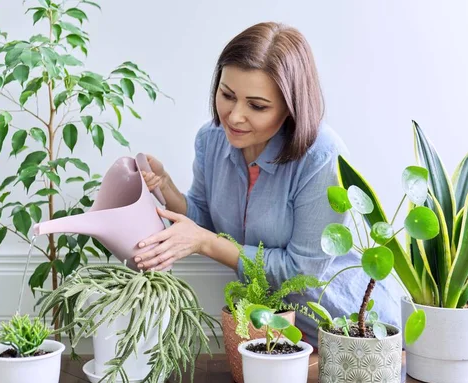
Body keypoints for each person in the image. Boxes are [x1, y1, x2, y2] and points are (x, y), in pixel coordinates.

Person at [133, 22, 401, 346]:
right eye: (227, 95)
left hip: (350, 333)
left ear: (291, 107)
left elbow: (301, 275)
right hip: (273, 332)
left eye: (257, 106)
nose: (234, 117)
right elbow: (205, 219)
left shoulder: (322, 158)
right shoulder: (212, 140)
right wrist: (167, 188)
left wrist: (205, 243)